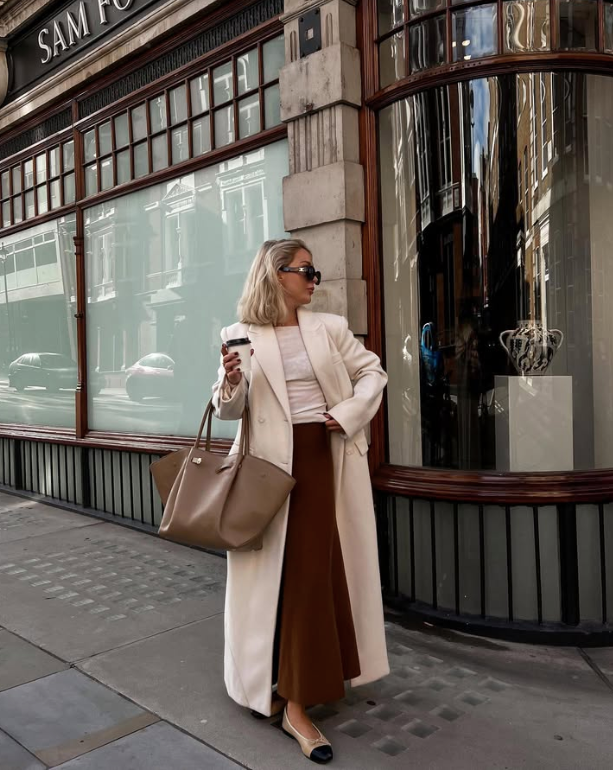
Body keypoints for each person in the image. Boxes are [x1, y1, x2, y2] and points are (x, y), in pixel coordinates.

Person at [211, 239, 389, 764]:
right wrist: (231, 381)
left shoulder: (328, 328)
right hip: (266, 469)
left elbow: (372, 372)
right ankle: (266, 680)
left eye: (316, 271)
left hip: (319, 460)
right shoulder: (238, 335)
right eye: (306, 270)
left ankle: (296, 703)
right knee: (273, 581)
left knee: (311, 578)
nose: (315, 279)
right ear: (277, 274)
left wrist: (350, 412)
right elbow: (226, 409)